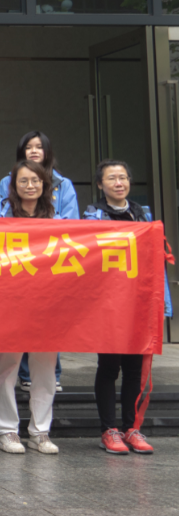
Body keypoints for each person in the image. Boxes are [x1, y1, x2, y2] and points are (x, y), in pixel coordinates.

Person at [84, 160, 171, 455]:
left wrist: (162, 303)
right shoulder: (92, 217)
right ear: (100, 184)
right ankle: (109, 430)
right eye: (111, 178)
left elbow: (156, 262)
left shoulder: (143, 215)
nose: (118, 183)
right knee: (109, 367)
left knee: (135, 369)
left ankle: (131, 428)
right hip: (108, 304)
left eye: (123, 177)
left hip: (139, 303)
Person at [0, 160, 61, 456]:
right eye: (23, 181)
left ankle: (40, 432)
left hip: (47, 304)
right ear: (13, 186)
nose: (30, 186)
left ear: (44, 185)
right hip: (9, 302)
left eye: (36, 180)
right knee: (6, 368)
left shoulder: (58, 218)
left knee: (44, 371)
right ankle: (6, 430)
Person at [0, 131, 79, 220]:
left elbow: (71, 223)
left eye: (39, 147)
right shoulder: (6, 182)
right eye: (28, 148)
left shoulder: (64, 184)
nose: (34, 151)